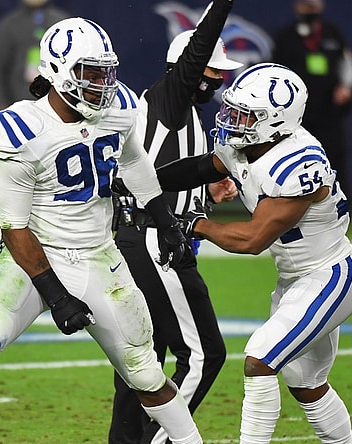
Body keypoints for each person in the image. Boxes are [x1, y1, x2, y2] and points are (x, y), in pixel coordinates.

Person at [0, 17, 203, 444]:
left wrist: (165, 221)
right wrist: (56, 297)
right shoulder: (20, 129)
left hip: (97, 254)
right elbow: (15, 230)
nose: (101, 83)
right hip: (34, 254)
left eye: (105, 71)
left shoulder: (121, 107)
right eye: (89, 73)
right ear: (56, 70)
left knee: (144, 369)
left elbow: (132, 163)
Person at [156, 62, 352, 444]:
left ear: (277, 121)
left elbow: (253, 240)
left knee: (260, 359)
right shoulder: (248, 144)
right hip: (295, 279)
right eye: (233, 110)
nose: (233, 120)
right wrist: (145, 182)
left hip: (330, 274)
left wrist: (192, 224)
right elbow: (201, 167)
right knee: (306, 384)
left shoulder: (299, 162)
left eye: (245, 115)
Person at [108, 1, 241, 443]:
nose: (218, 79)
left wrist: (208, 193)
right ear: (186, 69)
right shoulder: (168, 99)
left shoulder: (185, 116)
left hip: (143, 236)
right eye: (211, 70)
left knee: (143, 360)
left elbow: (167, 176)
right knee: (204, 355)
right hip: (153, 240)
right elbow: (197, 50)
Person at [270, 0, 352, 194]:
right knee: (295, 159)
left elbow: (348, 64)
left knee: (333, 157)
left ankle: (340, 204)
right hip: (297, 114)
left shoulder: (332, 33)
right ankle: (290, 202)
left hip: (329, 111)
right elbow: (275, 73)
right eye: (304, 5)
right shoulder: (285, 37)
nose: (308, 9)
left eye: (312, 5)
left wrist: (347, 88)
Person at [0, 0, 69, 112]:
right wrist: (1, 104)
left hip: (56, 104)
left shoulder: (62, 23)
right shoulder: (9, 25)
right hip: (18, 103)